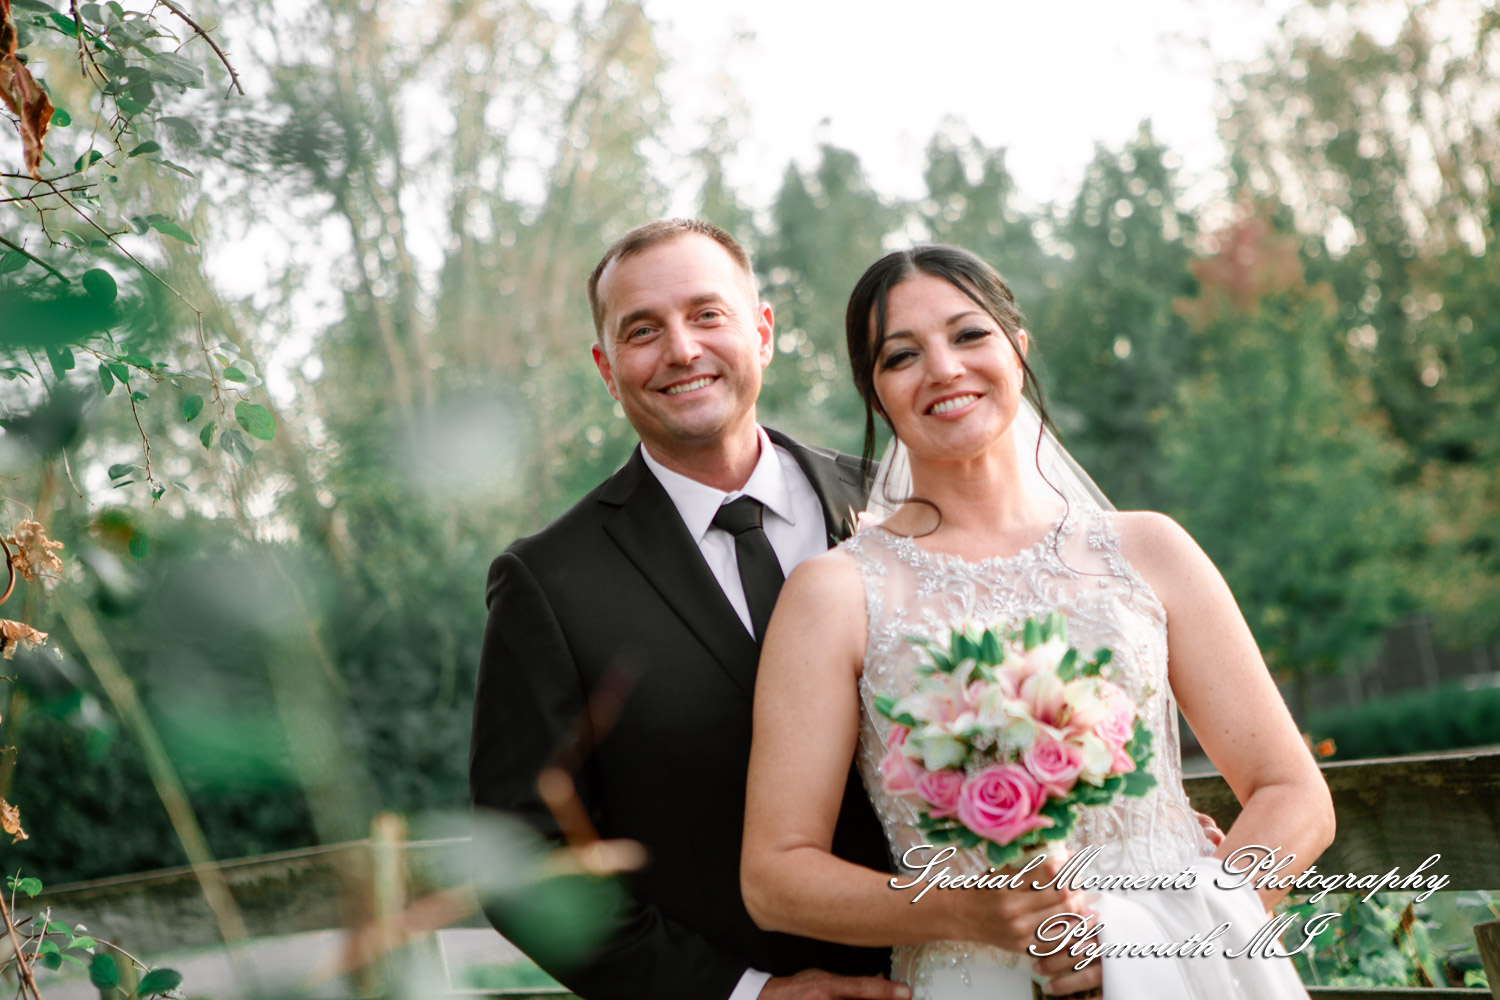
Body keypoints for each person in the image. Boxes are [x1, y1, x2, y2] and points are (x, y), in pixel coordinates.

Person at [741, 245, 1337, 998]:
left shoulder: (1150, 548)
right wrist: (971, 914)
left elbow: (1295, 795)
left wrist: (1172, 940)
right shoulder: (835, 593)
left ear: (1017, 350)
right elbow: (776, 875)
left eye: (969, 335)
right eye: (902, 356)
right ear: (876, 394)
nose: (944, 369)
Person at [470, 219, 915, 1000]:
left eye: (707, 314)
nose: (681, 350)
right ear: (608, 370)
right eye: (643, 331)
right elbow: (522, 869)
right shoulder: (547, 583)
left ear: (762, 331)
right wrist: (745, 995)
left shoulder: (900, 503)